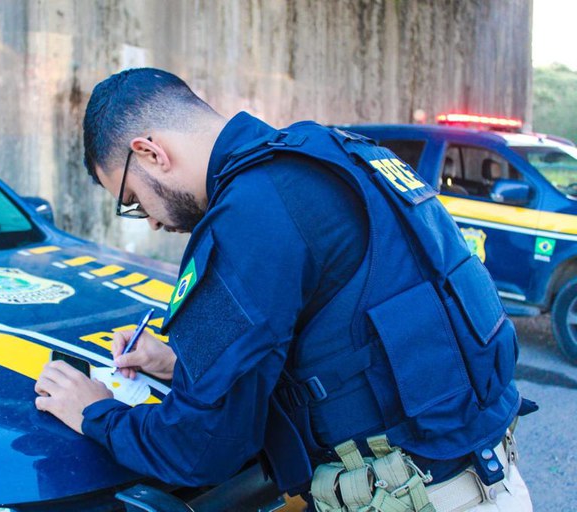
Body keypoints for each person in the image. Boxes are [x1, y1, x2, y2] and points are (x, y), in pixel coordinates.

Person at [34, 68, 534, 511]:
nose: (150, 223)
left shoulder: (250, 213)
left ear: (149, 152)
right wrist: (175, 363)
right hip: (493, 479)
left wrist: (94, 412)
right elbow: (351, 335)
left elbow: (202, 446)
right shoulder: (342, 155)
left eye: (134, 201)